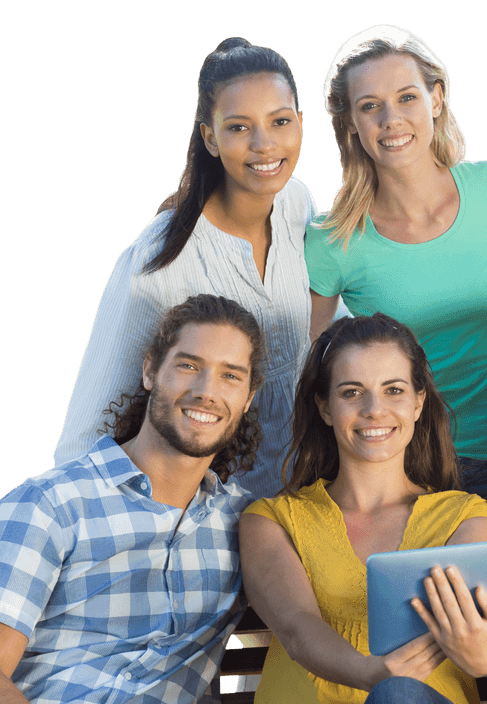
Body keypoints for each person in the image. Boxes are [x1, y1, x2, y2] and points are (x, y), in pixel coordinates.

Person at [0, 295, 262, 704]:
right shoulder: (49, 504)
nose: (207, 391)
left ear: (249, 397)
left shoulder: (248, 524)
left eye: (230, 376)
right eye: (188, 365)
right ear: (150, 370)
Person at [54, 38, 316, 499]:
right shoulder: (159, 261)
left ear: (300, 123)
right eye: (239, 127)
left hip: (297, 501)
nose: (264, 144)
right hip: (200, 517)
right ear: (210, 138)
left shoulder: (297, 202)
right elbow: (86, 434)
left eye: (280, 121)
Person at [239, 313, 487, 704]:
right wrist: (371, 674)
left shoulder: (465, 517)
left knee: (397, 700)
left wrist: (482, 653)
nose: (374, 410)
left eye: (393, 390)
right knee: (391, 691)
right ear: (325, 408)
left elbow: (476, 647)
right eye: (351, 392)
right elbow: (295, 626)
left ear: (418, 402)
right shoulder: (271, 520)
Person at [305, 24, 487, 497]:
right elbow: (309, 369)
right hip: (415, 472)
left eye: (407, 97)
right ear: (350, 123)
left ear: (438, 97)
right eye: (370, 106)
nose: (391, 119)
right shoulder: (331, 241)